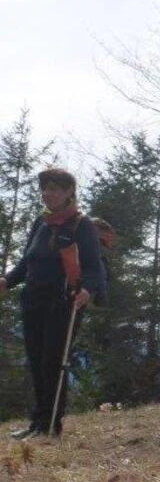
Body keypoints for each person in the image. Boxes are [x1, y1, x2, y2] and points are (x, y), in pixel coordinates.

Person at [1, 167, 106, 439]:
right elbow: (27, 261)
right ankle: (37, 423)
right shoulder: (41, 222)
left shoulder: (81, 225)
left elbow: (95, 267)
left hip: (63, 302)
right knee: (36, 360)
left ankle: (51, 425)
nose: (47, 194)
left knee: (53, 361)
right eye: (45, 189)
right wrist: (7, 281)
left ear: (69, 192)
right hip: (33, 299)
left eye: (54, 189)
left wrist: (87, 291)